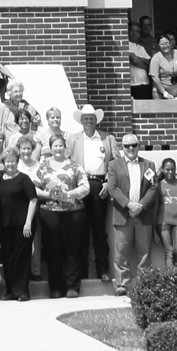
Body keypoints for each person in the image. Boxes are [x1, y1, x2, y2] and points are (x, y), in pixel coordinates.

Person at [33, 134, 89, 298]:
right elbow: (33, 188)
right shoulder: (43, 167)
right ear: (50, 149)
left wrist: (70, 194)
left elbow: (85, 187)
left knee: (72, 250)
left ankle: (72, 286)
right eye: (55, 146)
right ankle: (55, 287)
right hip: (49, 213)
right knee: (53, 250)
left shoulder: (74, 166)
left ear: (65, 148)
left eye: (60, 146)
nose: (58, 149)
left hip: (73, 213)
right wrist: (47, 194)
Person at [106, 132, 161, 292]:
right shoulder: (114, 165)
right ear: (122, 147)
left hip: (143, 215)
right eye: (127, 146)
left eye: (134, 145)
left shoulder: (149, 165)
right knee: (121, 252)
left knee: (144, 252)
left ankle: (144, 284)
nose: (131, 148)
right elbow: (112, 188)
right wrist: (129, 205)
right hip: (123, 214)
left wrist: (141, 206)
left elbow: (153, 188)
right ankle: (122, 284)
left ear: (139, 146)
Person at [0, 132, 39, 301]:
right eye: (7, 161)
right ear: (3, 163)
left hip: (23, 225)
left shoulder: (24, 179)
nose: (10, 164)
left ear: (17, 162)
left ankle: (23, 291)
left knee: (22, 257)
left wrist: (28, 222)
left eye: (13, 161)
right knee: (8, 257)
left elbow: (33, 200)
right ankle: (10, 290)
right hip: (5, 225)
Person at [71, 104, 113, 282]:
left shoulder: (107, 138)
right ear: (81, 121)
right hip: (80, 184)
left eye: (91, 118)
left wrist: (109, 183)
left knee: (98, 229)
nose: (88, 121)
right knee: (79, 230)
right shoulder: (73, 139)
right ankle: (81, 273)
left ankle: (103, 269)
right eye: (85, 119)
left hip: (99, 185)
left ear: (96, 120)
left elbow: (115, 163)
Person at [156, 156, 177, 267]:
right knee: (169, 252)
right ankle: (170, 280)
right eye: (167, 169)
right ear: (163, 169)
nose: (170, 172)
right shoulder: (158, 185)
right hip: (163, 222)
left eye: (172, 169)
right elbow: (155, 206)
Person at [149, 31, 177, 100]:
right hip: (161, 93)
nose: (165, 46)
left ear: (171, 43)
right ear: (158, 45)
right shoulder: (156, 58)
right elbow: (154, 77)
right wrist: (164, 93)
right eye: (162, 44)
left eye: (167, 43)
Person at [127, 18, 154, 101]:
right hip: (134, 85)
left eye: (137, 32)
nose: (135, 34)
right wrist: (140, 60)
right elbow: (135, 61)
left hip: (145, 84)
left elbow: (150, 63)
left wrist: (138, 59)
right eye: (132, 31)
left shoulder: (141, 47)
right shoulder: (126, 45)